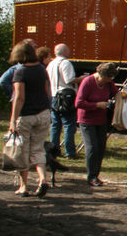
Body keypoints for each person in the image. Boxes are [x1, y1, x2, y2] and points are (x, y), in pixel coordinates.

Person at [8, 40, 52, 198]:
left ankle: (24, 186)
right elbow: (47, 91)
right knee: (38, 149)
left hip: (26, 115)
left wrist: (13, 119)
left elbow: (19, 98)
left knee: (22, 151)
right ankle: (42, 180)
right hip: (43, 113)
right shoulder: (41, 69)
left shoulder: (20, 72)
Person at [76, 62, 118, 186]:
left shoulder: (109, 83)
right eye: (108, 78)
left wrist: (123, 96)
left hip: (101, 119)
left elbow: (117, 93)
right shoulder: (88, 82)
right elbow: (78, 103)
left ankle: (96, 175)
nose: (109, 81)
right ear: (101, 75)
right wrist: (96, 105)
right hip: (87, 120)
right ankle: (91, 176)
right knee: (92, 147)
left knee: (100, 148)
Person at [48, 44, 84, 159]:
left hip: (54, 95)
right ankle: (70, 152)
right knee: (69, 124)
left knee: (55, 125)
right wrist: (81, 78)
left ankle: (54, 150)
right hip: (65, 97)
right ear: (65, 51)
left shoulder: (51, 64)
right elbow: (69, 80)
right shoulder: (66, 63)